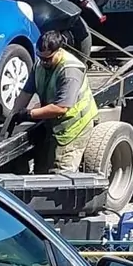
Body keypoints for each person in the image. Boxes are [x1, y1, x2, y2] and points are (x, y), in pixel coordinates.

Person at [25, 27, 97, 172]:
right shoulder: (40, 65)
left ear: (59, 51)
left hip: (73, 127)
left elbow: (61, 108)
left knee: (60, 174)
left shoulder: (70, 70)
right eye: (40, 58)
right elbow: (26, 92)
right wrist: (15, 113)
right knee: (42, 170)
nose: (44, 62)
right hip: (54, 124)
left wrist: (30, 114)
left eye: (48, 59)